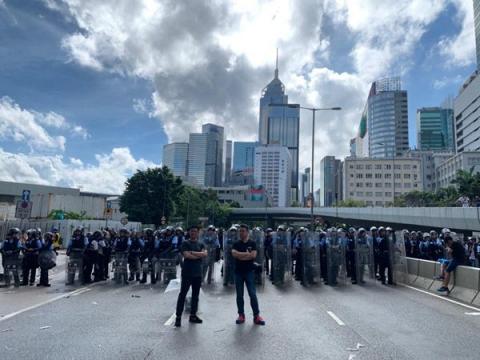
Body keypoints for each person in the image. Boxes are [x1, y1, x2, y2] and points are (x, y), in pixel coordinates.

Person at [232, 224, 265, 326]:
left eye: (243, 231)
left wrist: (240, 255)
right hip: (238, 272)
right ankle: (241, 315)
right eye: (240, 231)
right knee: (239, 295)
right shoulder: (236, 243)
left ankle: (256, 316)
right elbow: (234, 254)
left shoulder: (252, 243)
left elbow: (253, 256)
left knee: (252, 294)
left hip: (249, 272)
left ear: (247, 232)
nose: (241, 233)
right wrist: (246, 255)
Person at [175, 225, 207, 327]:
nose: (193, 233)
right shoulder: (185, 243)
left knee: (195, 296)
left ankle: (193, 315)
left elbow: (205, 254)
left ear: (198, 233)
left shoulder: (201, 243)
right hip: (187, 273)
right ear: (189, 233)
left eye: (195, 231)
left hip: (198, 273)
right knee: (182, 295)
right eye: (191, 231)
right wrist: (198, 255)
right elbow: (186, 255)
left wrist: (193, 253)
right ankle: (178, 317)